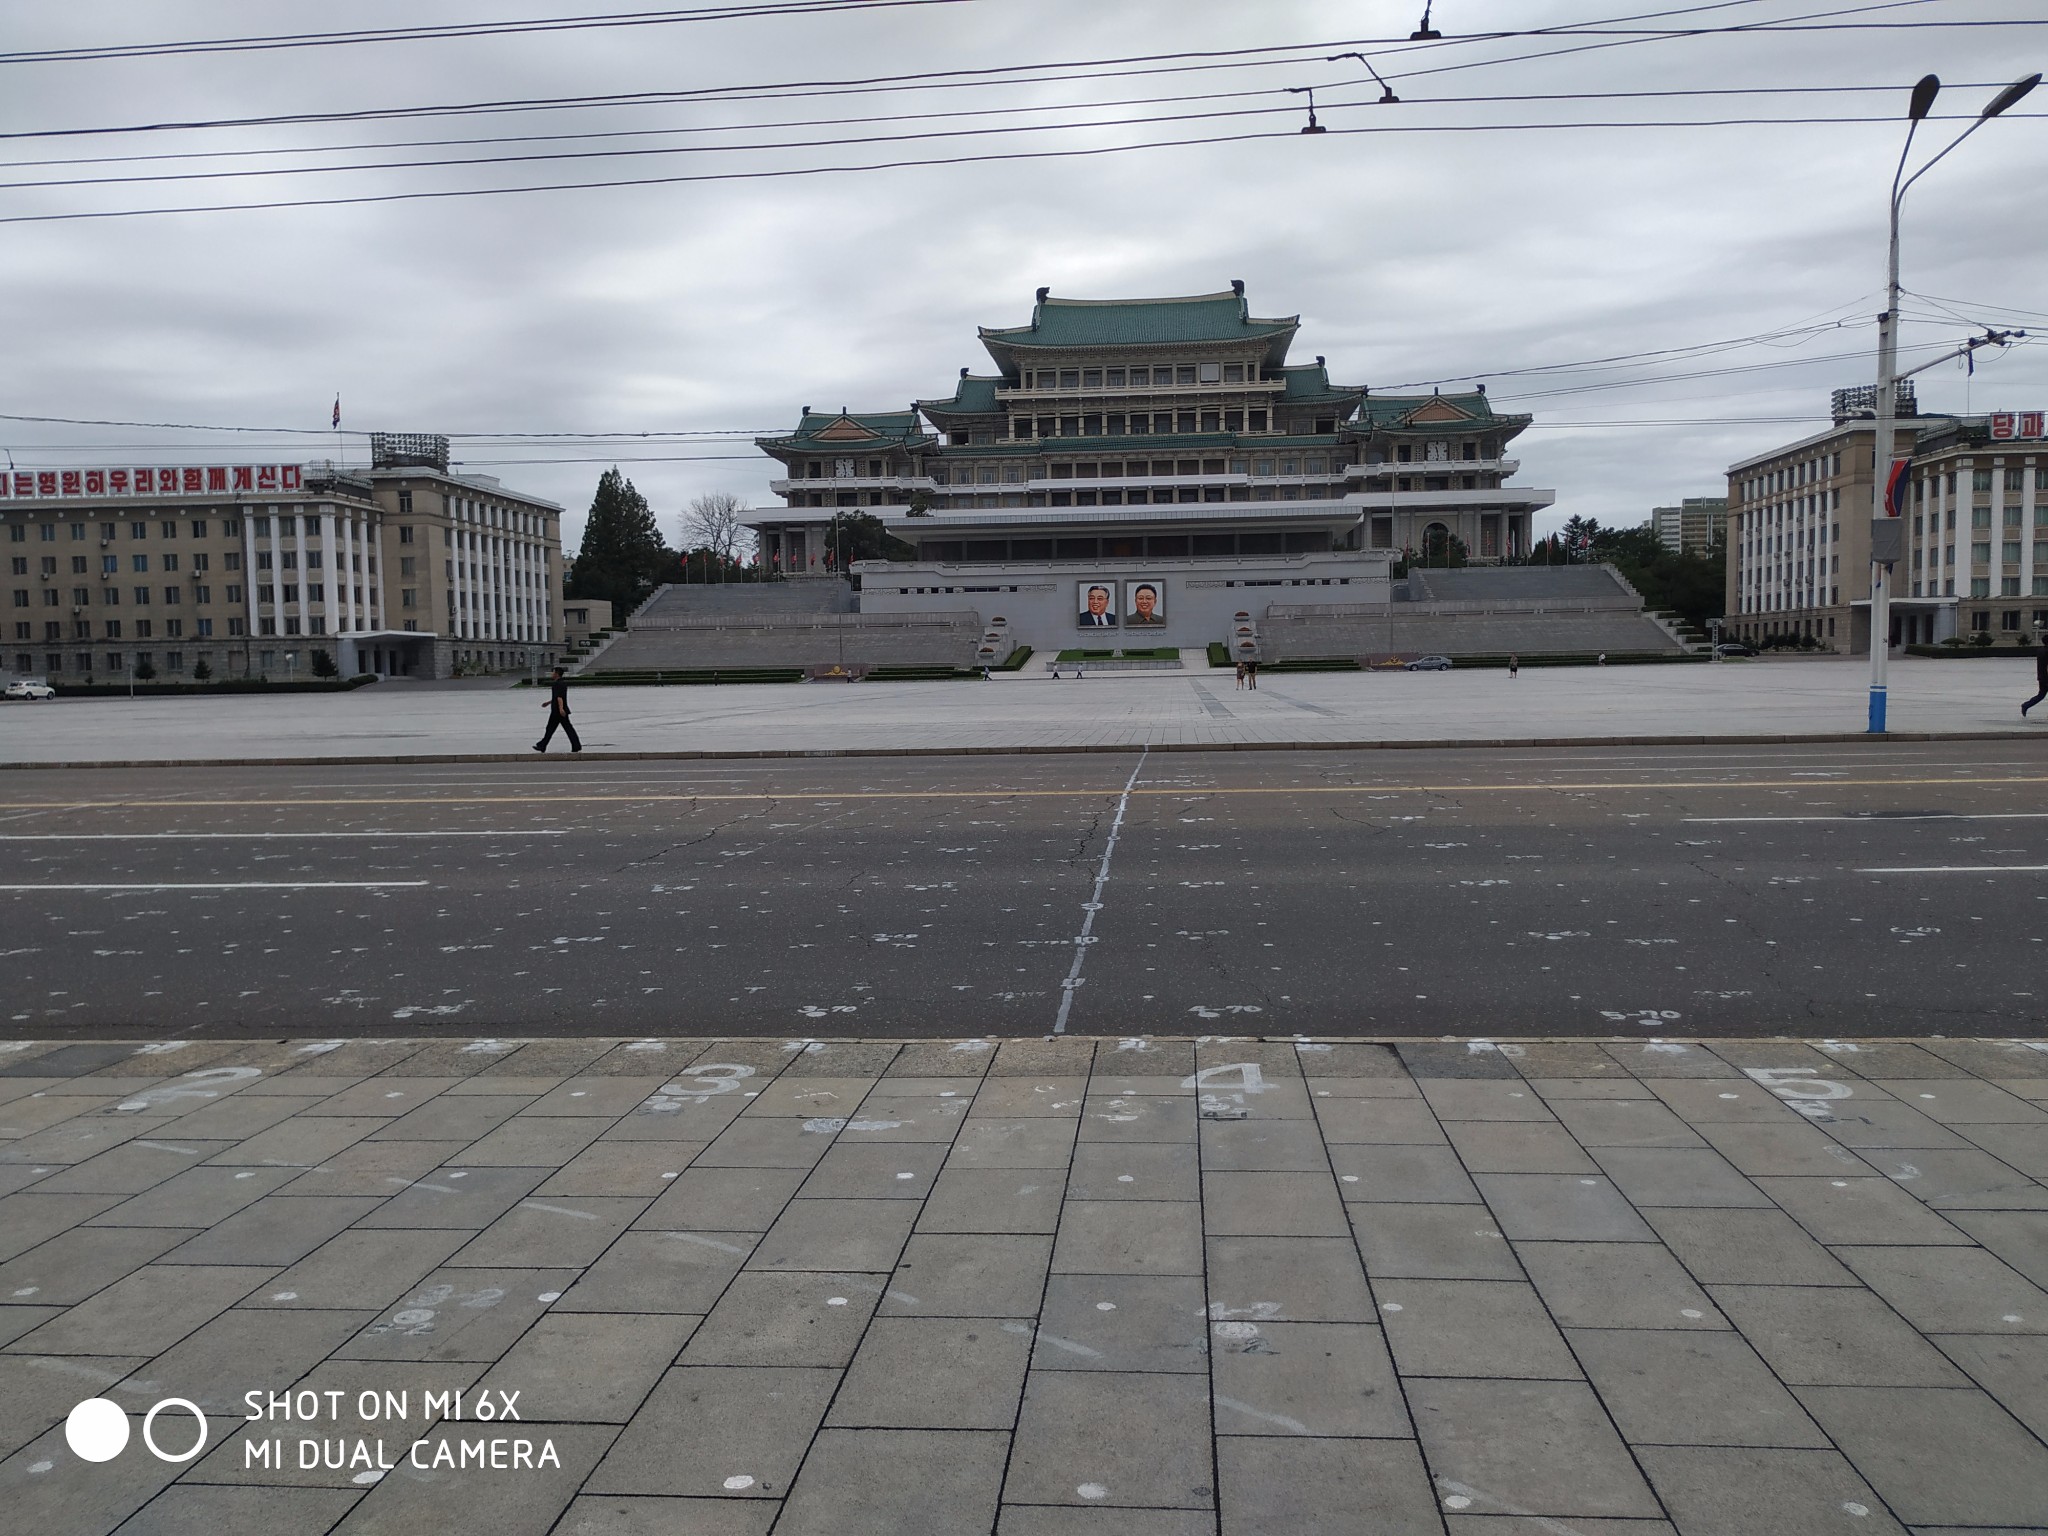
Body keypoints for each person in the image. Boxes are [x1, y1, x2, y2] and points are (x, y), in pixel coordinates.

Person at [535, 666, 582, 752]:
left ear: (556, 674)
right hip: (560, 710)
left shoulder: (557, 684)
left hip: (557, 712)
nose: (552, 674)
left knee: (550, 729)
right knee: (567, 728)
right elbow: (557, 697)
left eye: (553, 672)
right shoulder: (562, 683)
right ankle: (576, 746)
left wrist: (561, 709)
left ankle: (542, 745)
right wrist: (548, 703)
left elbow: (559, 698)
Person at [2024, 636, 2048, 717]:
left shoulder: (2041, 650)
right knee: (2041, 695)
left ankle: (2026, 705)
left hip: (2042, 676)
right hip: (2046, 677)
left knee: (2041, 695)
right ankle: (2026, 705)